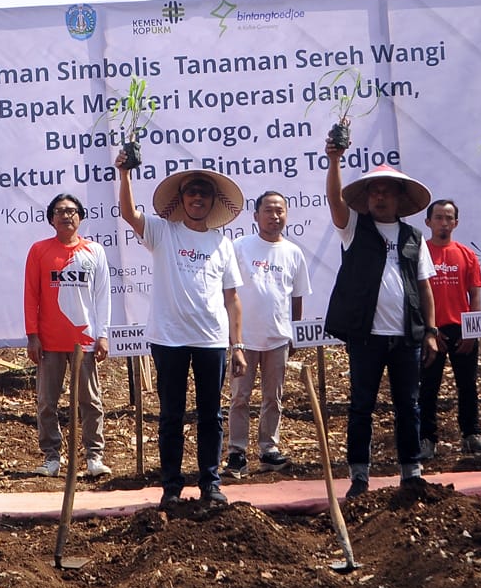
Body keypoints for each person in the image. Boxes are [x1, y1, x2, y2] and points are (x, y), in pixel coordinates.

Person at [116, 155, 247, 509]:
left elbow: (232, 298)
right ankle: (171, 487)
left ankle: (211, 483)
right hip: (168, 338)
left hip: (212, 340)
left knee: (211, 416)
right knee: (171, 415)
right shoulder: (163, 231)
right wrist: (124, 173)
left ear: (213, 202)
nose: (198, 198)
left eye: (204, 193)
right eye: (192, 193)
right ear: (182, 199)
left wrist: (237, 345)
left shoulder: (223, 244)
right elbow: (129, 213)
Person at [322, 137, 440, 498]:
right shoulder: (354, 227)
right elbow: (335, 201)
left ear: (399, 200)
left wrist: (431, 331)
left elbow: (424, 287)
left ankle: (411, 472)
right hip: (366, 336)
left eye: (387, 192)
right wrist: (335, 161)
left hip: (406, 337)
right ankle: (359, 476)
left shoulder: (413, 238)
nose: (380, 198)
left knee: (409, 405)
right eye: (374, 192)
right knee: (361, 406)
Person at [24, 192, 112, 479]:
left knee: (90, 401)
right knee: (47, 402)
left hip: (84, 341)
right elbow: (31, 295)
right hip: (49, 341)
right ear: (51, 219)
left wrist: (103, 335)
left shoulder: (94, 251)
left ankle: (94, 456)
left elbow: (102, 297)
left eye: (72, 211)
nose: (66, 215)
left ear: (81, 217)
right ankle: (51, 457)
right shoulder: (39, 250)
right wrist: (32, 335)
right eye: (60, 211)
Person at [226, 190, 311, 477]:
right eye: (269, 211)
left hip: (278, 338)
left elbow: (297, 298)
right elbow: (228, 292)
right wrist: (232, 337)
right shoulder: (239, 247)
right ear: (256, 216)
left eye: (280, 211)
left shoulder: (293, 252)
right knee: (240, 397)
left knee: (273, 397)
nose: (275, 216)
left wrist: (293, 334)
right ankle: (236, 453)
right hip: (244, 339)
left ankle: (268, 449)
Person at [419, 198, 481, 459]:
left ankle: (471, 433)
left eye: (449, 218)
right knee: (428, 387)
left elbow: (476, 296)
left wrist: (473, 331)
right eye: (438, 217)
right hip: (432, 332)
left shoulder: (467, 254)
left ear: (456, 223)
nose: (444, 222)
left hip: (463, 331)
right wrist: (430, 331)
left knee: (468, 385)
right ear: (428, 222)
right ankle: (427, 439)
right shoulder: (419, 254)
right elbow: (415, 297)